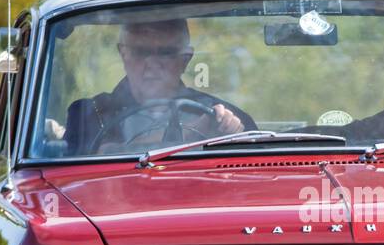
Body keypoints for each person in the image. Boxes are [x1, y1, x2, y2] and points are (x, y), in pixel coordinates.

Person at [53, 18, 254, 155]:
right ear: (123, 54)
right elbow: (90, 163)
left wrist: (231, 131)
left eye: (165, 53)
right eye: (140, 52)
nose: (152, 63)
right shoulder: (90, 112)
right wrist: (192, 134)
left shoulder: (218, 114)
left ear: (185, 60)